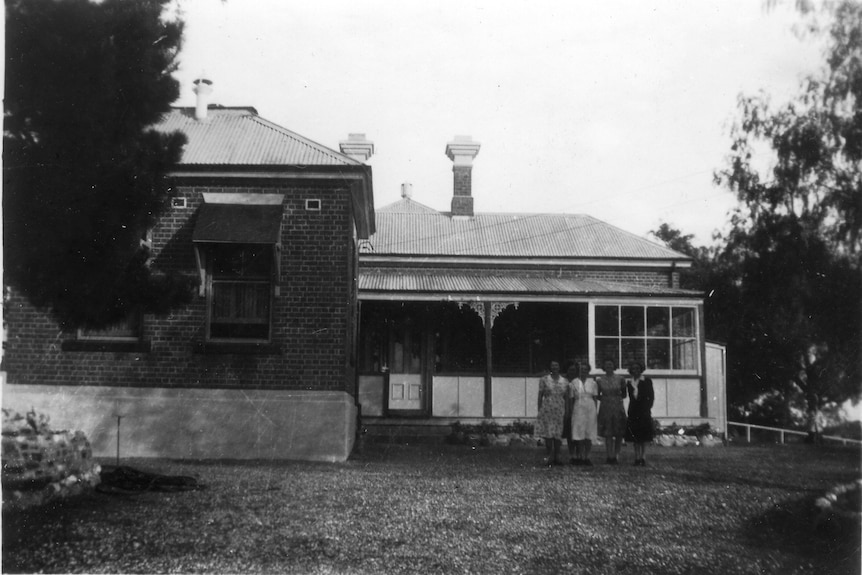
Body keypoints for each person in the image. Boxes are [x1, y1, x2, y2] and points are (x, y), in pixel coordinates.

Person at [535, 360, 570, 467]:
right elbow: (540, 395)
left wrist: (567, 411)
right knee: (549, 434)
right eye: (552, 366)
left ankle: (557, 457)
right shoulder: (544, 379)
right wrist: (540, 409)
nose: (555, 367)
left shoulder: (565, 381)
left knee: (558, 434)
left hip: (560, 409)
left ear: (559, 367)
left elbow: (567, 398)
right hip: (548, 409)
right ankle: (549, 456)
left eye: (556, 365)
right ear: (550, 367)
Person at [596, 358, 627, 464]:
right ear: (604, 367)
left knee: (618, 433)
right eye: (607, 365)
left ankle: (616, 455)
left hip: (617, 407)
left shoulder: (620, 379)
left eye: (611, 365)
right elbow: (597, 395)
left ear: (614, 366)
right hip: (606, 407)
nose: (609, 367)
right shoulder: (599, 380)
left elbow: (624, 394)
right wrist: (606, 399)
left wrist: (615, 399)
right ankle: (609, 456)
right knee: (608, 433)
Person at [625, 361, 655, 466]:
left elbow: (651, 397)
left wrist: (647, 409)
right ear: (631, 370)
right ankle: (637, 457)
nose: (636, 370)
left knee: (644, 436)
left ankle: (643, 457)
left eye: (638, 368)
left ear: (641, 369)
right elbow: (631, 397)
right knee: (635, 437)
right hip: (633, 411)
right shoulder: (629, 382)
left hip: (644, 411)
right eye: (633, 369)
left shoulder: (647, 381)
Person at [570, 362, 598, 466]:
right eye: (581, 370)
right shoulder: (573, 383)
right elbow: (572, 399)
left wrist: (596, 411)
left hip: (590, 408)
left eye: (586, 370)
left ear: (588, 371)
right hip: (578, 408)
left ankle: (587, 456)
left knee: (589, 432)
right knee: (579, 431)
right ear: (578, 371)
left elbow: (595, 398)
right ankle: (581, 456)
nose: (584, 371)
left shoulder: (593, 383)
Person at [563, 361, 579, 463]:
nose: (572, 372)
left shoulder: (578, 382)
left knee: (577, 433)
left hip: (578, 409)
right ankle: (571, 454)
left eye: (574, 370)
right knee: (569, 433)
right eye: (570, 370)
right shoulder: (564, 381)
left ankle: (578, 454)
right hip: (565, 409)